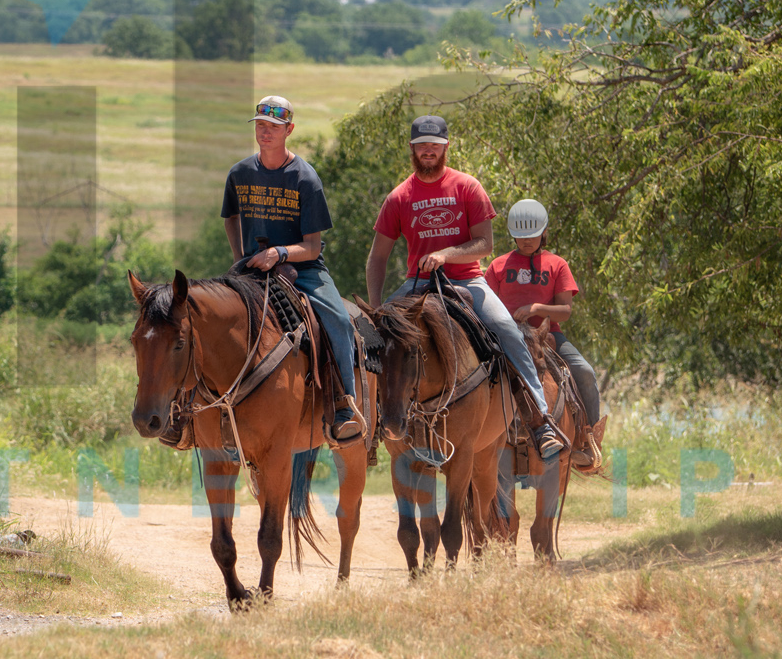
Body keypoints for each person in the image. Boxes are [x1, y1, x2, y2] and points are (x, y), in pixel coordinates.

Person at [364, 115, 564, 460]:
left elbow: (484, 244)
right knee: (372, 340)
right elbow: (376, 258)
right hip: (418, 285)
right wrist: (377, 309)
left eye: (435, 145)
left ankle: (539, 420)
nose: (428, 150)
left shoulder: (468, 187)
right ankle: (370, 424)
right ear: (412, 149)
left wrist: (444, 253)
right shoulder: (399, 196)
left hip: (467, 280)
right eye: (422, 145)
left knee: (507, 331)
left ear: (445, 147)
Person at [222, 95, 363, 441]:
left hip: (305, 270)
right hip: (253, 268)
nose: (264, 132)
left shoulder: (305, 178)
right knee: (214, 316)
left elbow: (312, 245)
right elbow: (230, 216)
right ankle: (210, 406)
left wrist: (279, 253)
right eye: (260, 126)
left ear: (289, 130)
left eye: (272, 127)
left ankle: (346, 403)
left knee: (340, 320)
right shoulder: (240, 173)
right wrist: (241, 255)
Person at [484, 198, 602, 467]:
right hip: (505, 337)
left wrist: (537, 307)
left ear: (544, 232)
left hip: (548, 337)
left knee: (584, 372)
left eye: (532, 236)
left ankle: (587, 439)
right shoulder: (498, 266)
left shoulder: (557, 264)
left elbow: (565, 310)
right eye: (521, 236)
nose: (526, 242)